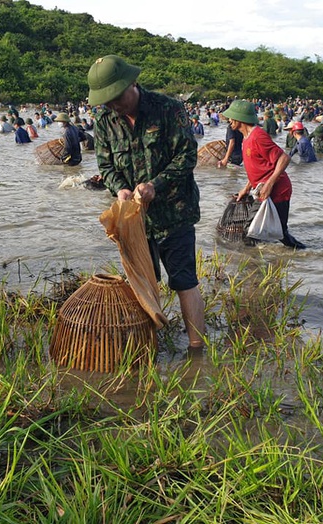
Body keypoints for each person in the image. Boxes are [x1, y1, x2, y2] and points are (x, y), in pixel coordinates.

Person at [87, 54, 206, 349]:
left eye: (117, 97)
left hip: (175, 213)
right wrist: (120, 190)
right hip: (134, 221)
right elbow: (107, 166)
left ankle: (197, 350)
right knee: (141, 286)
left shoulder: (168, 109)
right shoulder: (104, 121)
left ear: (133, 83)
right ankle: (148, 347)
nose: (113, 104)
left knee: (184, 280)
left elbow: (187, 157)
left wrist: (155, 185)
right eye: (107, 100)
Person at [223, 99, 306, 250]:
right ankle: (265, 261)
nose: (229, 121)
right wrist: (246, 188)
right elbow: (258, 167)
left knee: (271, 233)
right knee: (268, 233)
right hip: (262, 190)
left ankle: (304, 254)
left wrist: (269, 184)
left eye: (231, 118)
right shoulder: (246, 138)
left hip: (278, 190)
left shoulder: (258, 136)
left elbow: (284, 158)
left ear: (240, 119)